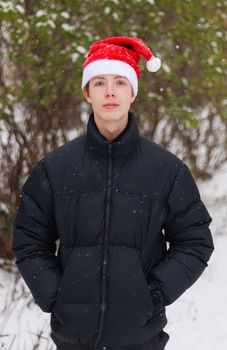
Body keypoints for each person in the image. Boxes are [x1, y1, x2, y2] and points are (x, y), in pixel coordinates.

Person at [12, 36, 214, 350]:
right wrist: (57, 295)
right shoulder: (55, 168)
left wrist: (154, 294)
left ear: (133, 92)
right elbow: (29, 240)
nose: (110, 91)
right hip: (73, 339)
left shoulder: (165, 170)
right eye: (100, 82)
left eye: (120, 82)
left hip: (142, 338)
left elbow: (195, 240)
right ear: (86, 92)